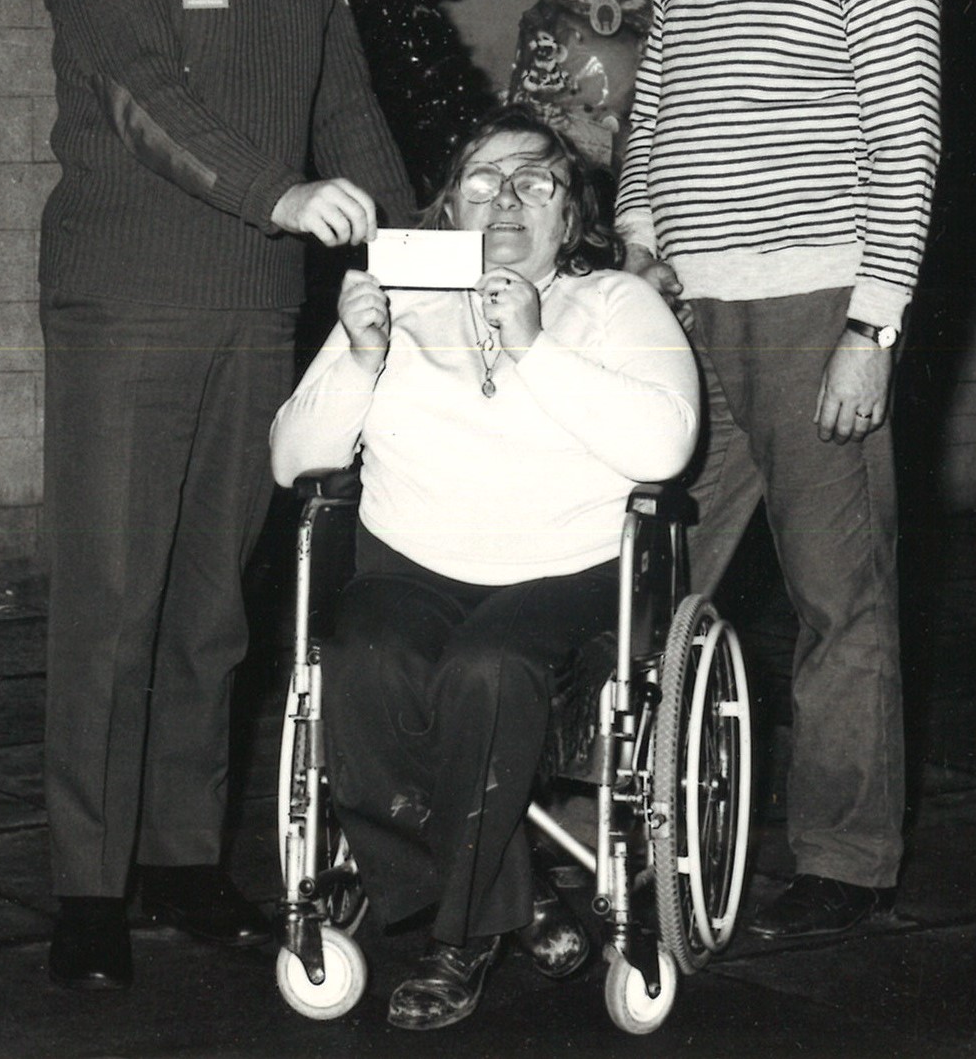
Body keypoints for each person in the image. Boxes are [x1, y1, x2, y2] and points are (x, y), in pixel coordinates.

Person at [39, 0, 415, 992]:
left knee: (213, 604)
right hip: (130, 301)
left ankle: (184, 859)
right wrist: (282, 195)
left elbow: (345, 100)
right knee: (113, 604)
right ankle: (89, 884)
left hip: (256, 307)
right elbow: (142, 91)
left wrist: (421, 252)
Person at [616, 0, 942, 949]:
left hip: (817, 312)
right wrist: (640, 244)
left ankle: (848, 859)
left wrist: (875, 324)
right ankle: (625, 823)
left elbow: (907, 137)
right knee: (652, 578)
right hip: (692, 311)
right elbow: (654, 106)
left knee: (837, 599)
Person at [270, 105, 699, 1031]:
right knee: (359, 658)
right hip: (414, 561)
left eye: (533, 181)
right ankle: (513, 890)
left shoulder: (621, 304)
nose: (504, 197)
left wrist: (535, 343)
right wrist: (360, 353)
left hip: (566, 571)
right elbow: (291, 457)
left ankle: (459, 937)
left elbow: (664, 446)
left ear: (569, 213)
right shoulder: (399, 302)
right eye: (480, 181)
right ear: (448, 210)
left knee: (488, 668)